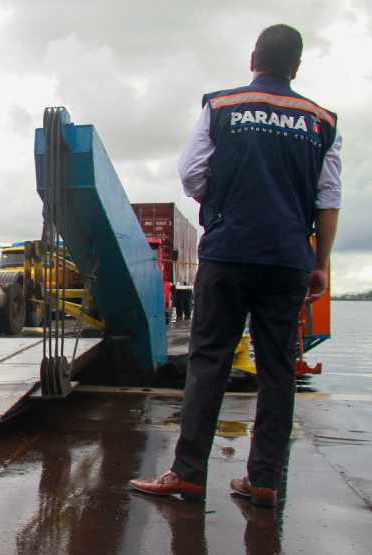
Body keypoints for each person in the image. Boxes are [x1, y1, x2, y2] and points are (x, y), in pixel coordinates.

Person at [129, 24, 341, 507]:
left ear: (252, 59)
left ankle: (188, 473)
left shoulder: (221, 106)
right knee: (278, 368)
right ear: (297, 67)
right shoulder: (322, 121)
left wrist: (227, 202)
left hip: (227, 249)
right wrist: (320, 263)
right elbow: (328, 199)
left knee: (209, 361)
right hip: (289, 257)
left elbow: (190, 172)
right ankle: (264, 480)